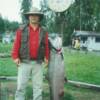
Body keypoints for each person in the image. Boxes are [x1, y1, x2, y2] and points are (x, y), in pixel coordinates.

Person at [12, 7, 49, 100]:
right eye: (31, 15)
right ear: (28, 17)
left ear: (39, 17)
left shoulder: (44, 31)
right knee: (21, 86)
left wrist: (47, 57)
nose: (33, 17)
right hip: (24, 62)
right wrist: (15, 57)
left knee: (38, 87)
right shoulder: (21, 29)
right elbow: (16, 44)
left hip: (38, 63)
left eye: (35, 15)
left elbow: (46, 45)